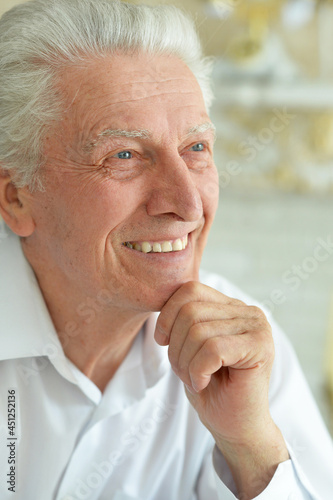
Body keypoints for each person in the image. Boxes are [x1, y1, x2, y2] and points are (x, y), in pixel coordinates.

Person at [0, 0, 332, 499]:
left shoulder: (243, 345)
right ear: (16, 196)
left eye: (196, 148)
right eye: (125, 155)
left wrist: (250, 447)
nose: (186, 202)